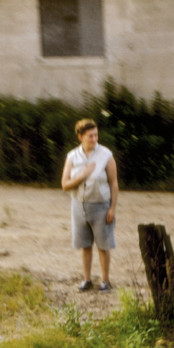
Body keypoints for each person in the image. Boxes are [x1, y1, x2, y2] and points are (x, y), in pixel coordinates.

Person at [60, 118, 119, 291]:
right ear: (80, 136)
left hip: (101, 206)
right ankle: (87, 280)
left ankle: (105, 281)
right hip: (79, 205)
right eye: (90, 136)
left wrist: (112, 207)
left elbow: (114, 183)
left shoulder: (106, 155)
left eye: (96, 135)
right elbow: (65, 185)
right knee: (85, 245)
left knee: (103, 245)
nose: (94, 139)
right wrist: (82, 175)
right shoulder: (72, 156)